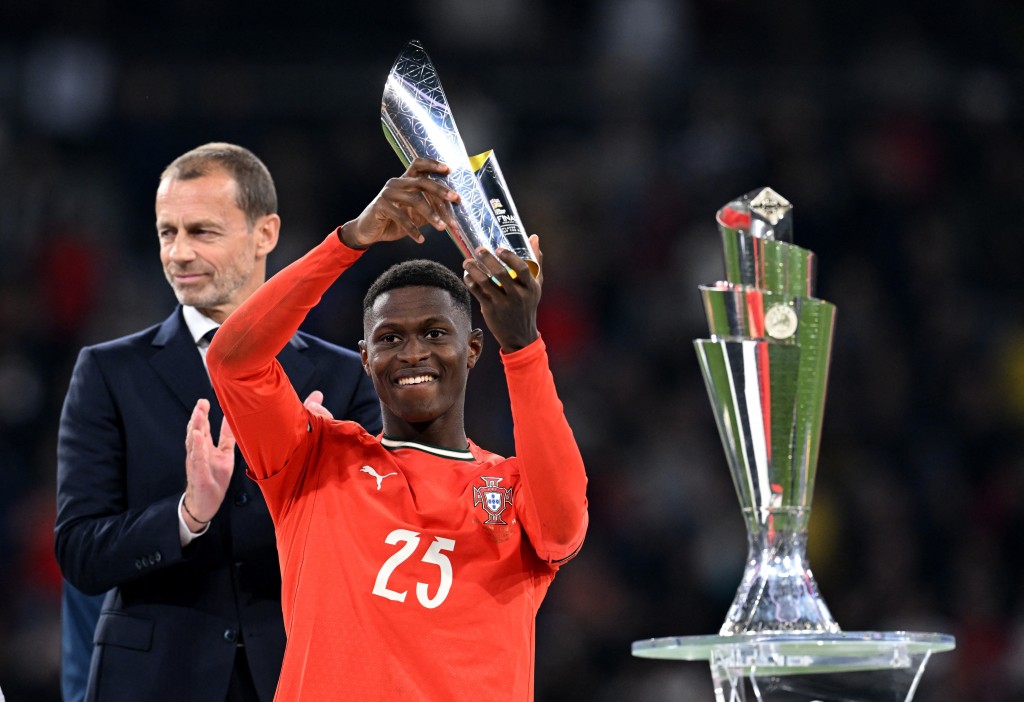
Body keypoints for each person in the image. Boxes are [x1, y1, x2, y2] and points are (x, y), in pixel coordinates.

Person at [206, 157, 589, 700]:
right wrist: (350, 241)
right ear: (364, 357)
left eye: (435, 333)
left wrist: (522, 346)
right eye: (389, 338)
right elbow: (232, 361)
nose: (413, 353)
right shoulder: (312, 459)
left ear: (472, 349)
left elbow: (565, 525)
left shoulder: (512, 489)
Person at [54, 142, 381, 702]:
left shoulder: (345, 376)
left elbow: (375, 547)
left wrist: (318, 475)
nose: (178, 254)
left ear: (266, 233)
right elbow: (80, 551)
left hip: (297, 676)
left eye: (201, 231)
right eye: (166, 232)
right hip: (152, 684)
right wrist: (187, 516)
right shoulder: (109, 372)